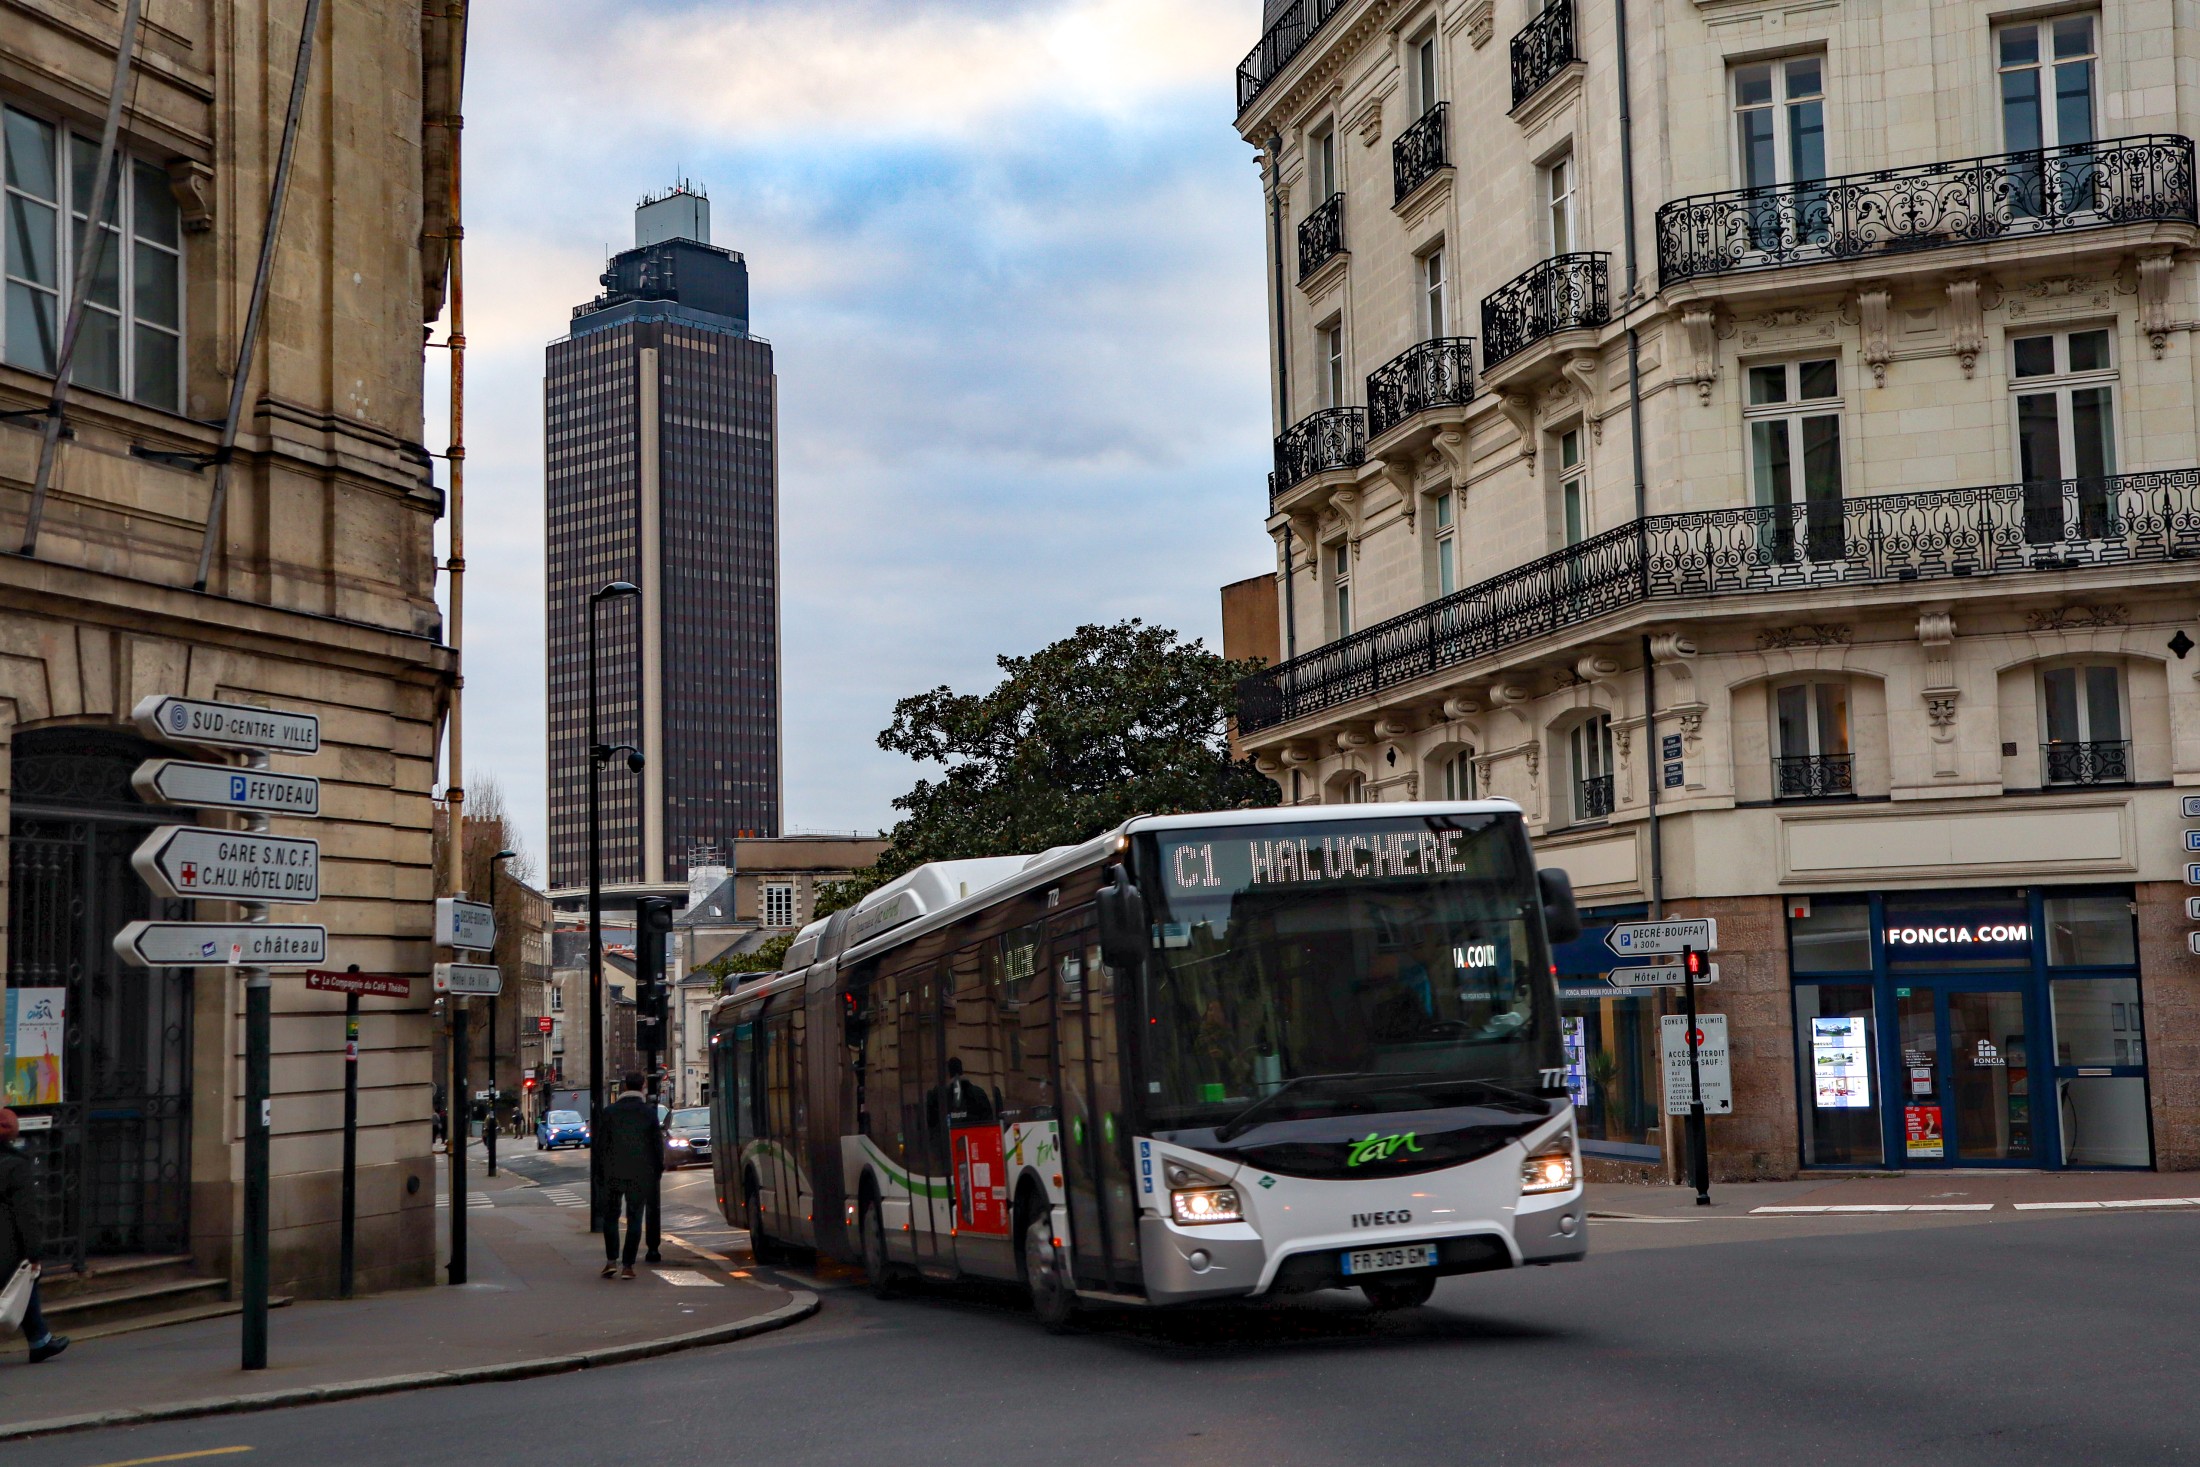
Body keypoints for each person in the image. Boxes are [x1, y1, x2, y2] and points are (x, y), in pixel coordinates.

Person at [0, 1109, 68, 1363]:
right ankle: (40, 1340)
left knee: (23, 1284)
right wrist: (34, 1252)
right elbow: (25, 1213)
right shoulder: (15, 1166)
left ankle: (40, 1339)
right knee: (25, 1279)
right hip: (7, 1245)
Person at [596, 1075, 662, 1279]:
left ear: (624, 1086)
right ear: (642, 1087)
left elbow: (600, 1146)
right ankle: (628, 1266)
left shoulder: (609, 1112)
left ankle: (611, 1261)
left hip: (613, 1172)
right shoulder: (649, 1113)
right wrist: (656, 1172)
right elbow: (656, 1146)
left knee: (611, 1217)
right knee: (635, 1218)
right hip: (639, 1173)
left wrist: (600, 1172)